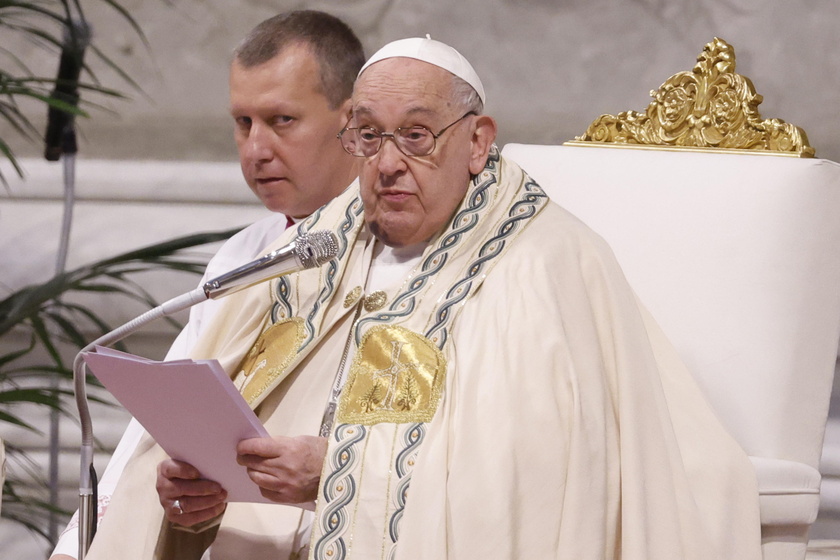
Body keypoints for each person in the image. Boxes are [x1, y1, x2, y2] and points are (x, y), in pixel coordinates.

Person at [82, 38, 763, 560]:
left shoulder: (542, 265)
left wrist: (338, 471)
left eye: (415, 135)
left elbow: (545, 482)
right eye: (369, 135)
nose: (385, 163)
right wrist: (196, 501)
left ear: (478, 141)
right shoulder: (316, 251)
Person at [49, 10, 363, 560]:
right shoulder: (240, 255)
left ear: (353, 122)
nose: (255, 149)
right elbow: (158, 434)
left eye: (281, 120)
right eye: (242, 123)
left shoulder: (395, 252)